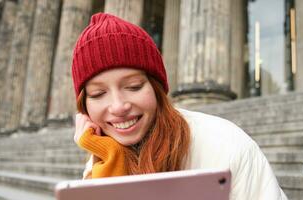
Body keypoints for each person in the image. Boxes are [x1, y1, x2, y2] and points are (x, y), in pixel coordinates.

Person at [71, 13, 288, 200]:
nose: (118, 106)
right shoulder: (105, 159)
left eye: (134, 86)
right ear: (85, 106)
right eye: (98, 94)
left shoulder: (227, 145)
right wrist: (108, 156)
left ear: (157, 89)